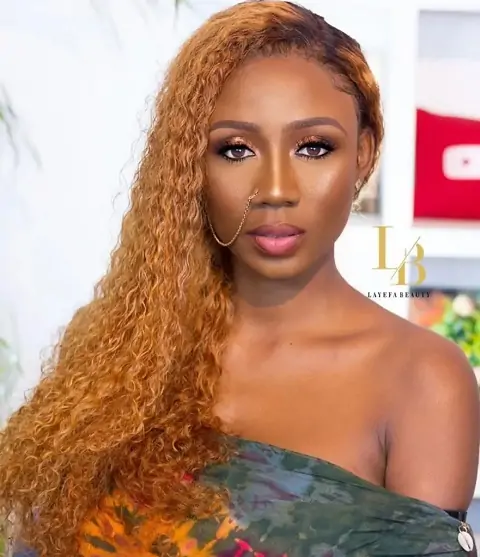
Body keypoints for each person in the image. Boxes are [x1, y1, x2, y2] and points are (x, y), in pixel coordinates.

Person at [1, 1, 479, 556]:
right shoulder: (120, 355)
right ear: (191, 168)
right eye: (236, 150)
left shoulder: (421, 380)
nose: (275, 189)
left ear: (363, 154)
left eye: (313, 148)